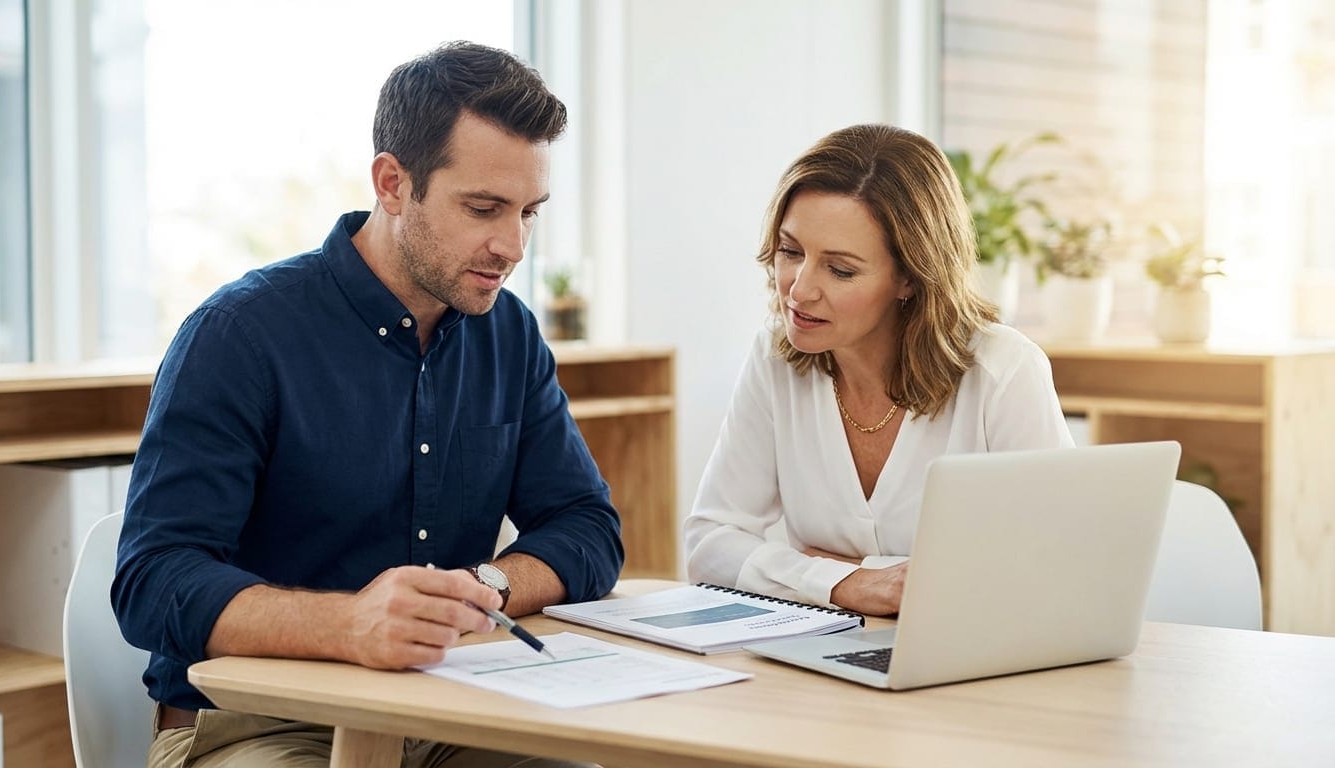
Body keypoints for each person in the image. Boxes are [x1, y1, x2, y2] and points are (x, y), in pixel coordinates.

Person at [112, 41, 623, 768]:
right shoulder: (240, 335)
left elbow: (587, 526)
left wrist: (486, 588)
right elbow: (152, 581)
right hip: (262, 725)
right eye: (483, 208)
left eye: (529, 212)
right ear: (392, 182)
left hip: (455, 711)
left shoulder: (507, 333)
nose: (513, 246)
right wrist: (348, 624)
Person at [683, 123, 1073, 618]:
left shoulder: (1004, 372)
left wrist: (820, 570)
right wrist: (848, 582)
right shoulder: (775, 358)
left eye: (840, 270)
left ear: (910, 276)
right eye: (791, 251)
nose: (799, 291)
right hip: (820, 661)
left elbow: (1052, 566)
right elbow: (709, 545)